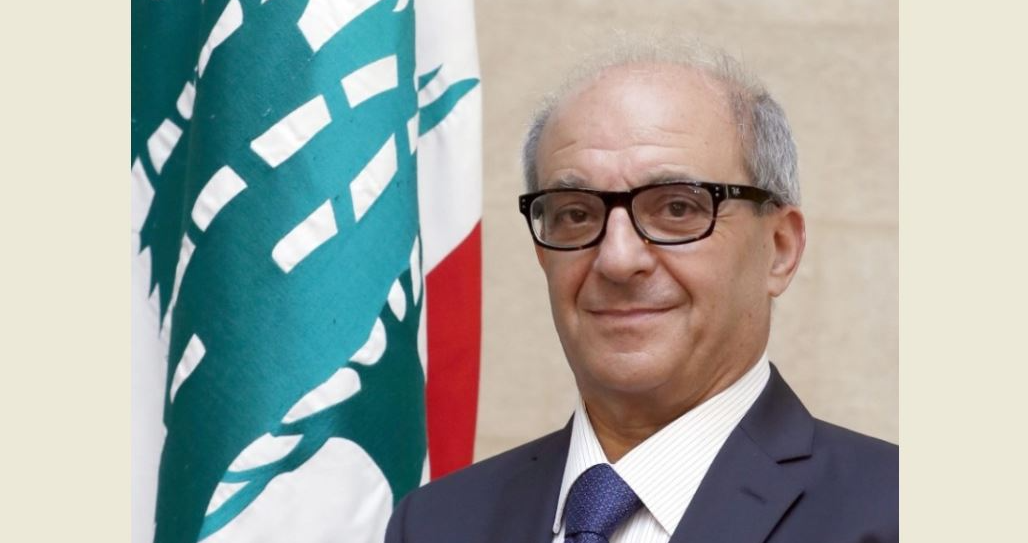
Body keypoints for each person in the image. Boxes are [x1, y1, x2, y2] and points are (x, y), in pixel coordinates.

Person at [386, 39, 898, 543]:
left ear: (780, 249)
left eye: (678, 208)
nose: (617, 259)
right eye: (576, 214)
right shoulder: (434, 525)